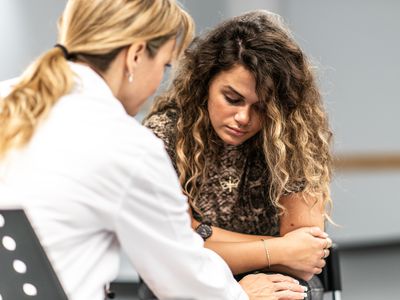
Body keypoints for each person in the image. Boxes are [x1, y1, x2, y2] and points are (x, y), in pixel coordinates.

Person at [0, 1, 309, 300]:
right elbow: (183, 279)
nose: (160, 82)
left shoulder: (8, 99)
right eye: (164, 66)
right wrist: (241, 294)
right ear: (135, 56)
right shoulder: (126, 145)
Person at [144, 10, 334, 300]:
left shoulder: (295, 136)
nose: (243, 118)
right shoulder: (165, 134)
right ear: (205, 83)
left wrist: (201, 233)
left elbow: (305, 259)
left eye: (261, 108)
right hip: (189, 282)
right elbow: (173, 254)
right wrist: (279, 249)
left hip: (280, 281)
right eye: (232, 99)